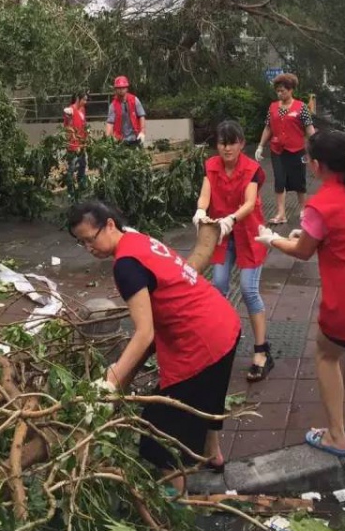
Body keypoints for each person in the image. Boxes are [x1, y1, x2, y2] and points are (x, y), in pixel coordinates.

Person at [67, 201, 241, 488]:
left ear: (110, 225)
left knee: (160, 436)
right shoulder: (138, 239)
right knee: (206, 402)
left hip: (202, 341)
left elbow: (145, 333)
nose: (89, 248)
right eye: (81, 243)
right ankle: (214, 457)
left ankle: (176, 506)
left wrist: (110, 383)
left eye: (90, 238)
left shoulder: (125, 266)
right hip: (224, 324)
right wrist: (123, 372)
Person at [255, 130, 345, 457]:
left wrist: (272, 239)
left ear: (315, 165)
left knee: (327, 355)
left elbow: (302, 251)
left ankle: (337, 436)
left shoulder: (321, 205)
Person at [193, 121, 273, 381]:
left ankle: (262, 351)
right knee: (218, 286)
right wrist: (201, 211)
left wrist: (231, 219)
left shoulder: (252, 170)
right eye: (222, 143)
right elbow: (205, 194)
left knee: (249, 290)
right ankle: (218, 343)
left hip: (248, 233)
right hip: (222, 235)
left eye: (232, 142)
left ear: (241, 144)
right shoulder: (212, 166)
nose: (227, 148)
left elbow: (250, 203)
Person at [255, 73, 315, 225]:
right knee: (279, 180)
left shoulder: (301, 107)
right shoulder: (273, 107)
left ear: (291, 90)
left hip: (297, 150)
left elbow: (309, 128)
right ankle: (281, 213)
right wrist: (260, 146)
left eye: (283, 90)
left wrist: (316, 147)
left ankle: (303, 210)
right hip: (277, 150)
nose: (280, 93)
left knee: (299, 180)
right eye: (278, 91)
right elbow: (268, 127)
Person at [105, 76, 146, 146]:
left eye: (123, 88)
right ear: (115, 89)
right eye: (119, 88)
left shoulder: (135, 100)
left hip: (135, 137)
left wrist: (142, 132)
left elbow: (141, 116)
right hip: (120, 140)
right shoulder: (113, 106)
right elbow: (110, 123)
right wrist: (107, 139)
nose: (121, 90)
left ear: (127, 88)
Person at [63, 92, 89, 198]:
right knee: (72, 167)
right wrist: (75, 144)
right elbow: (68, 127)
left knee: (83, 165)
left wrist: (86, 138)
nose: (85, 102)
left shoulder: (82, 110)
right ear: (78, 98)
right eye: (84, 99)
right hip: (73, 144)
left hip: (82, 143)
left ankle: (81, 186)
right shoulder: (70, 110)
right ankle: (70, 191)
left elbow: (84, 125)